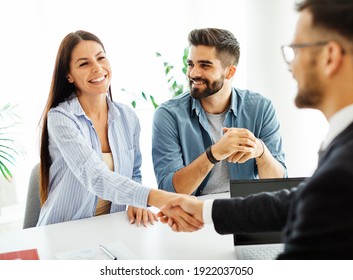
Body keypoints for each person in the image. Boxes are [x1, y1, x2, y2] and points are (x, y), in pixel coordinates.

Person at [159, 0, 353, 259]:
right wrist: (206, 211)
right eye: (190, 63)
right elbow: (299, 201)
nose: (290, 66)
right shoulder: (341, 147)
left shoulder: (343, 166)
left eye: (296, 50)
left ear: (329, 57)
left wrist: (260, 151)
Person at [37, 30, 197, 228]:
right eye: (84, 63)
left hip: (113, 226)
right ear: (69, 75)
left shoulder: (127, 117)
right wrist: (160, 198)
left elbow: (134, 171)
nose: (97, 68)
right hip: (64, 229)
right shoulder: (61, 118)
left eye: (101, 58)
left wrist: (134, 199)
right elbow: (96, 177)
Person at [152, 28, 287, 196]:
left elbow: (278, 185)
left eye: (205, 65)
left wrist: (260, 151)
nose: (193, 73)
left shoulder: (261, 108)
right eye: (190, 64)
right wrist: (214, 153)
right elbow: (168, 191)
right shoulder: (169, 115)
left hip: (245, 210)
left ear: (229, 72)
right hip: (194, 214)